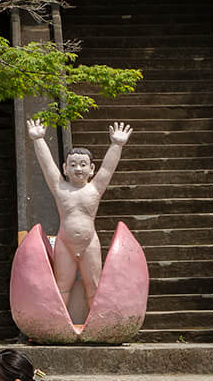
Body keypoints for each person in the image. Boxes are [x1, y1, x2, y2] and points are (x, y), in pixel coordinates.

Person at [24, 119, 132, 325]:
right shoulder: (60, 188)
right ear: (65, 168)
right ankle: (57, 324)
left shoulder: (94, 189)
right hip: (65, 243)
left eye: (83, 165)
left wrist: (116, 145)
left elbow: (107, 169)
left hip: (89, 242)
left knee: (94, 285)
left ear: (91, 169)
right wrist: (38, 139)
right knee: (62, 286)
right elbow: (47, 166)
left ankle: (98, 323)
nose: (78, 169)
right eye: (73, 165)